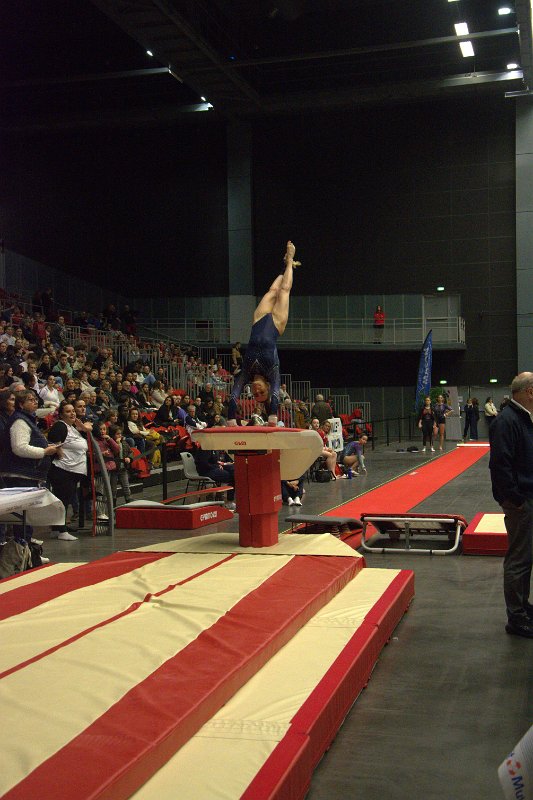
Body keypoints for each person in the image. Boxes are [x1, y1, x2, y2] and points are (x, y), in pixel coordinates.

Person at [227, 241, 299, 425]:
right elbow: (275, 395)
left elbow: (234, 394)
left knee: (273, 290)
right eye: (262, 392)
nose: (256, 390)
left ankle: (284, 266)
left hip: (258, 321)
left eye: (255, 393)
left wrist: (231, 419)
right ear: (268, 386)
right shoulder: (272, 371)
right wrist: (273, 416)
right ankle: (290, 260)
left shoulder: (246, 372)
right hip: (276, 325)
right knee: (284, 291)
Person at [489, 372, 533, 638]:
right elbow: (500, 465)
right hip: (521, 501)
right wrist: (514, 499)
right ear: (529, 392)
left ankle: (523, 606)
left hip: (526, 496)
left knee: (526, 557)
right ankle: (516, 617)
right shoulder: (507, 420)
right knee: (519, 558)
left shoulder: (522, 418)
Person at [0, 390, 60, 545]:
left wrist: (47, 447)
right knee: (22, 518)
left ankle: (26, 550)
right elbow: (19, 448)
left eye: (35, 399)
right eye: (30, 400)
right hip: (20, 474)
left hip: (27, 474)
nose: (35, 402)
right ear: (21, 404)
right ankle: (21, 551)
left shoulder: (27, 420)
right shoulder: (20, 421)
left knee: (25, 518)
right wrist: (44, 451)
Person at [47, 401, 90, 541]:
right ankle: (61, 531)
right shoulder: (60, 425)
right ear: (61, 415)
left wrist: (83, 427)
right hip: (63, 469)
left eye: (73, 411)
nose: (72, 413)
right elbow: (53, 441)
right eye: (68, 411)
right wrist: (59, 453)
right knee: (63, 501)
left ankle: (57, 528)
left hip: (72, 470)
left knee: (65, 499)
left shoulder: (73, 428)